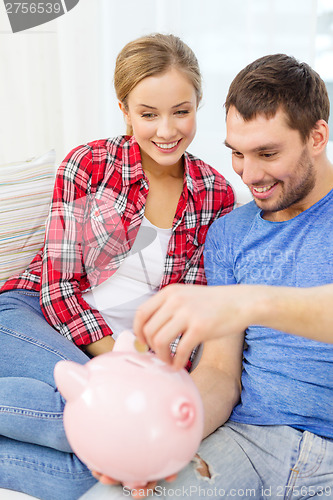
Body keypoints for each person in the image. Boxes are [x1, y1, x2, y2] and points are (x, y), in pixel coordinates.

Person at [86, 54, 333, 498]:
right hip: (251, 442)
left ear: (316, 136)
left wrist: (250, 302)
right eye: (237, 154)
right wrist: (163, 439)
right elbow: (220, 372)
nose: (250, 176)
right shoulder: (230, 233)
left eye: (267, 153)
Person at [0, 33, 234, 499]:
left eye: (181, 111)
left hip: (137, 362)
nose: (166, 130)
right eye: (148, 114)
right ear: (125, 110)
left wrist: (152, 372)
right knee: (108, 425)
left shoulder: (216, 194)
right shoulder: (87, 165)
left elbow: (190, 311)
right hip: (33, 316)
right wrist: (125, 369)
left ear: (199, 103)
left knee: (96, 468)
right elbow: (59, 289)